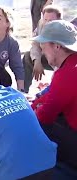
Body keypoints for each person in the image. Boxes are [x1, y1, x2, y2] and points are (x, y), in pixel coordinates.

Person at [31, 20, 77, 169]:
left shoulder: (66, 74)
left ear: (57, 46)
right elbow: (54, 93)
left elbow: (44, 116)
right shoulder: (72, 64)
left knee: (35, 127)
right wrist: (36, 101)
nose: (42, 52)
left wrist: (28, 111)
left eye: (44, 46)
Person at [23, 5, 62, 93]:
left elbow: (62, 60)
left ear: (59, 21)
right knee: (27, 57)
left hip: (63, 63)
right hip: (49, 57)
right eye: (45, 19)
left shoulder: (63, 32)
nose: (47, 23)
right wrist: (37, 61)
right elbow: (35, 44)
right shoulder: (41, 24)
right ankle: (23, 91)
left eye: (51, 20)